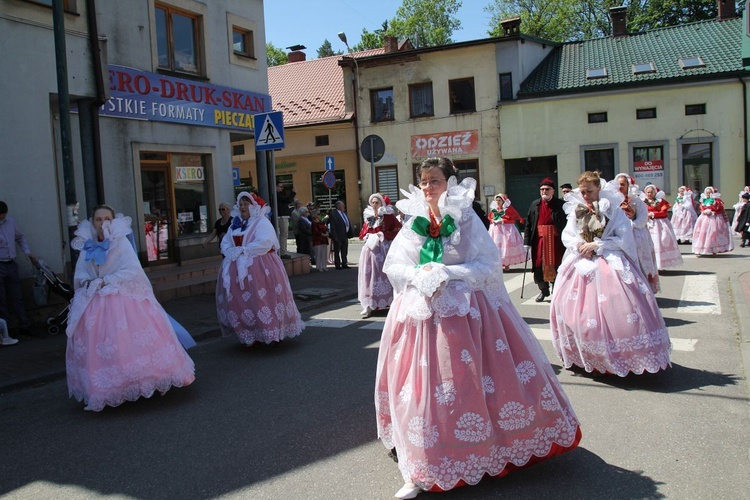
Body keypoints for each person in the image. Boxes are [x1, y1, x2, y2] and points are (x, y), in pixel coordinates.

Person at [375, 157, 581, 499]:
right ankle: (422, 463)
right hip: (421, 312)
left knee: (467, 382)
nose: (428, 186)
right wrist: (419, 275)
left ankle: (480, 450)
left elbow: (487, 264)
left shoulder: (466, 217)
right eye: (424, 181)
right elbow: (395, 264)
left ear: (450, 182)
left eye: (435, 180)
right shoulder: (414, 219)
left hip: (465, 313)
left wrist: (449, 274)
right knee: (423, 387)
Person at [66, 205, 195, 411]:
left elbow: (132, 270)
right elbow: (80, 273)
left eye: (106, 218)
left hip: (122, 300)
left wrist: (106, 280)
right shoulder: (87, 245)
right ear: (93, 223)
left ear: (113, 220)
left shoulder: (120, 243)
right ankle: (112, 389)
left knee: (131, 342)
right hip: (95, 303)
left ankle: (155, 379)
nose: (102, 223)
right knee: (105, 347)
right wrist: (88, 282)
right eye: (98, 220)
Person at [550, 171, 672, 377]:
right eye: (583, 191)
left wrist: (597, 245)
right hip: (581, 260)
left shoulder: (613, 210)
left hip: (608, 259)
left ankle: (622, 357)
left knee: (617, 309)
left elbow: (623, 237)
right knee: (576, 311)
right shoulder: (576, 209)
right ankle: (589, 357)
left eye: (589, 191)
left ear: (599, 188)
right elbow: (568, 234)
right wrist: (579, 243)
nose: (586, 195)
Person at [216, 192, 304, 345]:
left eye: (246, 204)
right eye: (241, 204)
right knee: (241, 301)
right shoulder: (235, 224)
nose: (243, 207)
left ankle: (270, 330)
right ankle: (248, 332)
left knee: (263, 298)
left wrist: (244, 250)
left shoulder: (261, 222)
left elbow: (265, 242)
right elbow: (225, 241)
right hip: (238, 268)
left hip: (261, 266)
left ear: (253, 206)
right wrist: (230, 250)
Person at [612, 174, 659, 293]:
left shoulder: (637, 201)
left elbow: (643, 219)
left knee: (639, 263)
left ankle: (643, 291)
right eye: (618, 184)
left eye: (623, 184)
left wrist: (628, 225)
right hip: (619, 236)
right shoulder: (612, 201)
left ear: (628, 185)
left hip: (636, 235)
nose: (620, 187)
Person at [358, 193, 401, 318]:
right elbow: (363, 232)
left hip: (383, 248)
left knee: (382, 273)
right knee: (368, 275)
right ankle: (368, 303)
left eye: (377, 202)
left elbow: (397, 230)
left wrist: (383, 234)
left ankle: (389, 302)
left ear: (382, 203)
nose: (375, 205)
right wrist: (366, 236)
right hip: (370, 249)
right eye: (373, 202)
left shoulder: (388, 216)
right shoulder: (368, 217)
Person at [523, 178, 566, 302]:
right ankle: (543, 290)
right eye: (542, 189)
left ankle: (556, 290)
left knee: (557, 264)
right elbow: (529, 224)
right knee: (538, 265)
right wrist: (526, 242)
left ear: (553, 191)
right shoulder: (534, 205)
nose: (544, 191)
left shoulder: (560, 205)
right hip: (539, 240)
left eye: (547, 189)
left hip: (556, 241)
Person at [0, 201, 37, 337]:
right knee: (2, 299)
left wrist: (27, 252)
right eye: (0, 217)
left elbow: (20, 237)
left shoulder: (10, 222)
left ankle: (24, 326)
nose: (2, 219)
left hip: (11, 263)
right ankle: (6, 331)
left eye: (4, 217)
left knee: (17, 296)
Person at [642, 185, 683, 270]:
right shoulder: (643, 201)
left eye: (651, 192)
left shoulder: (660, 201)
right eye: (648, 192)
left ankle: (661, 264)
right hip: (647, 223)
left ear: (655, 193)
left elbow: (664, 212)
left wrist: (653, 214)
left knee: (660, 242)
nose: (649, 194)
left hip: (659, 224)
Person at [487, 193, 526, 271]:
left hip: (506, 229)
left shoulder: (507, 210)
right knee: (496, 246)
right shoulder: (494, 209)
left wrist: (503, 221)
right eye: (497, 200)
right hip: (495, 230)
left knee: (506, 246)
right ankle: (498, 263)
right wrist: (493, 221)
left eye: (499, 200)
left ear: (503, 201)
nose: (498, 202)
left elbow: (512, 218)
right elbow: (490, 217)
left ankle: (506, 264)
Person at [693, 186, 734, 255]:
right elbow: (701, 207)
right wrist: (704, 211)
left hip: (714, 218)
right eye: (707, 193)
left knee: (713, 233)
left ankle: (714, 249)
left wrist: (712, 211)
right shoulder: (704, 200)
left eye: (709, 193)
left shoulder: (716, 200)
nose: (708, 194)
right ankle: (702, 248)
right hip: (704, 218)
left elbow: (718, 208)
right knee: (703, 233)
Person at [328, 200, 353, 269]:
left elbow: (346, 222)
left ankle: (344, 263)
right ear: (338, 206)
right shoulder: (334, 214)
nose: (344, 206)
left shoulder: (343, 213)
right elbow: (333, 226)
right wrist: (334, 236)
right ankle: (338, 264)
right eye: (342, 205)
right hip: (338, 235)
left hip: (345, 234)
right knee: (337, 251)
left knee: (344, 250)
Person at [275, 183, 296, 256]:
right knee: (283, 234)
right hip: (281, 216)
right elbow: (287, 199)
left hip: (282, 216)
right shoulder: (276, 195)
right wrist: (293, 193)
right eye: (281, 187)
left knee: (283, 235)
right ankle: (282, 252)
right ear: (276, 187)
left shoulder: (279, 195)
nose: (282, 188)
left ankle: (282, 251)